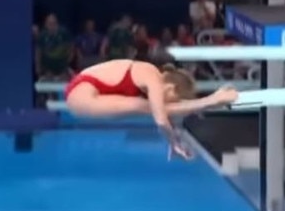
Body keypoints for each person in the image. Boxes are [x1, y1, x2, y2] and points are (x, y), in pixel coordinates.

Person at [64, 59, 238, 160]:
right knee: (145, 107)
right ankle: (213, 99)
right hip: (81, 94)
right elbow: (161, 119)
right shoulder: (152, 76)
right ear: (170, 88)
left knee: (148, 107)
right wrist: (174, 142)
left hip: (82, 91)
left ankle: (212, 100)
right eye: (174, 98)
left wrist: (172, 139)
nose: (168, 101)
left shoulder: (149, 76)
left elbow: (163, 114)